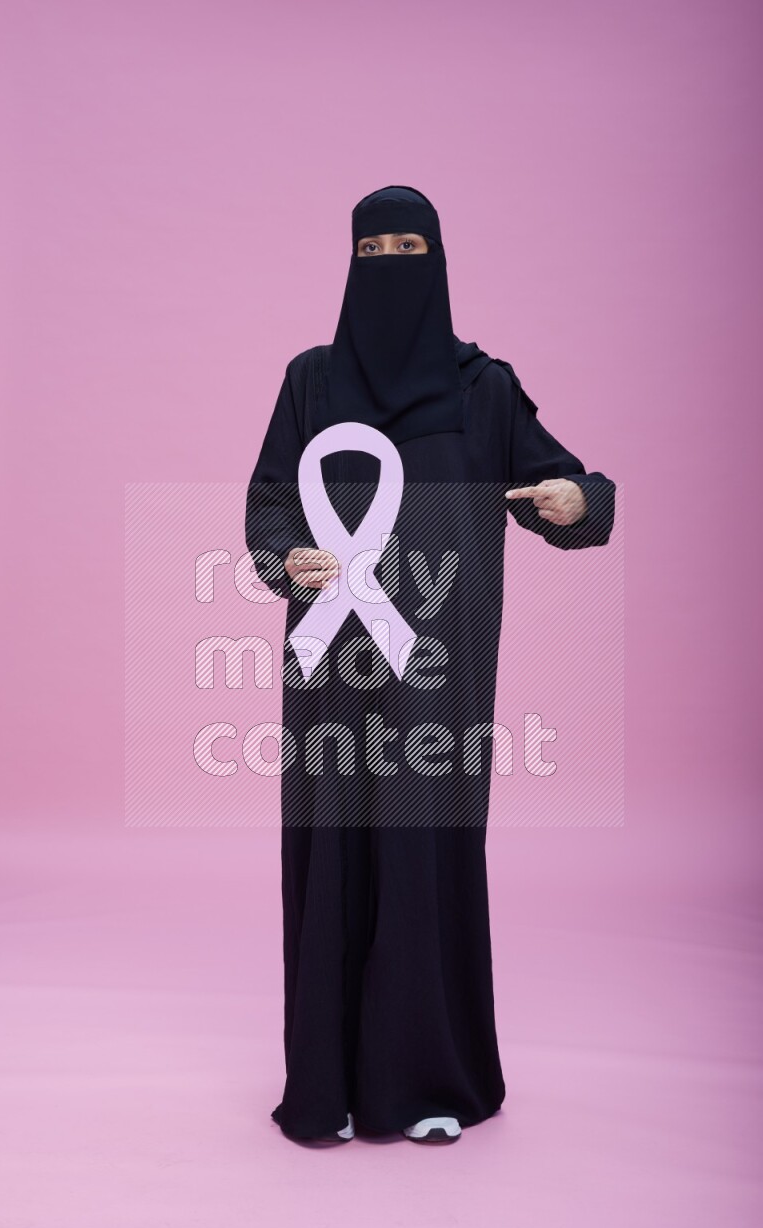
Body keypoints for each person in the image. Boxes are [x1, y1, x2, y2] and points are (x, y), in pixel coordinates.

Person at [245, 185, 615, 1145]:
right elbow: (267, 502)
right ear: (350, 262)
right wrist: (287, 557)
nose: (394, 263)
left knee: (426, 857)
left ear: (441, 260)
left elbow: (561, 481)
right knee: (333, 857)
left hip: (438, 674)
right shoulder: (311, 381)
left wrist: (578, 501)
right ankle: (330, 1088)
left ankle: (428, 1084)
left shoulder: (480, 389)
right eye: (376, 248)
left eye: (411, 245)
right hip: (331, 669)